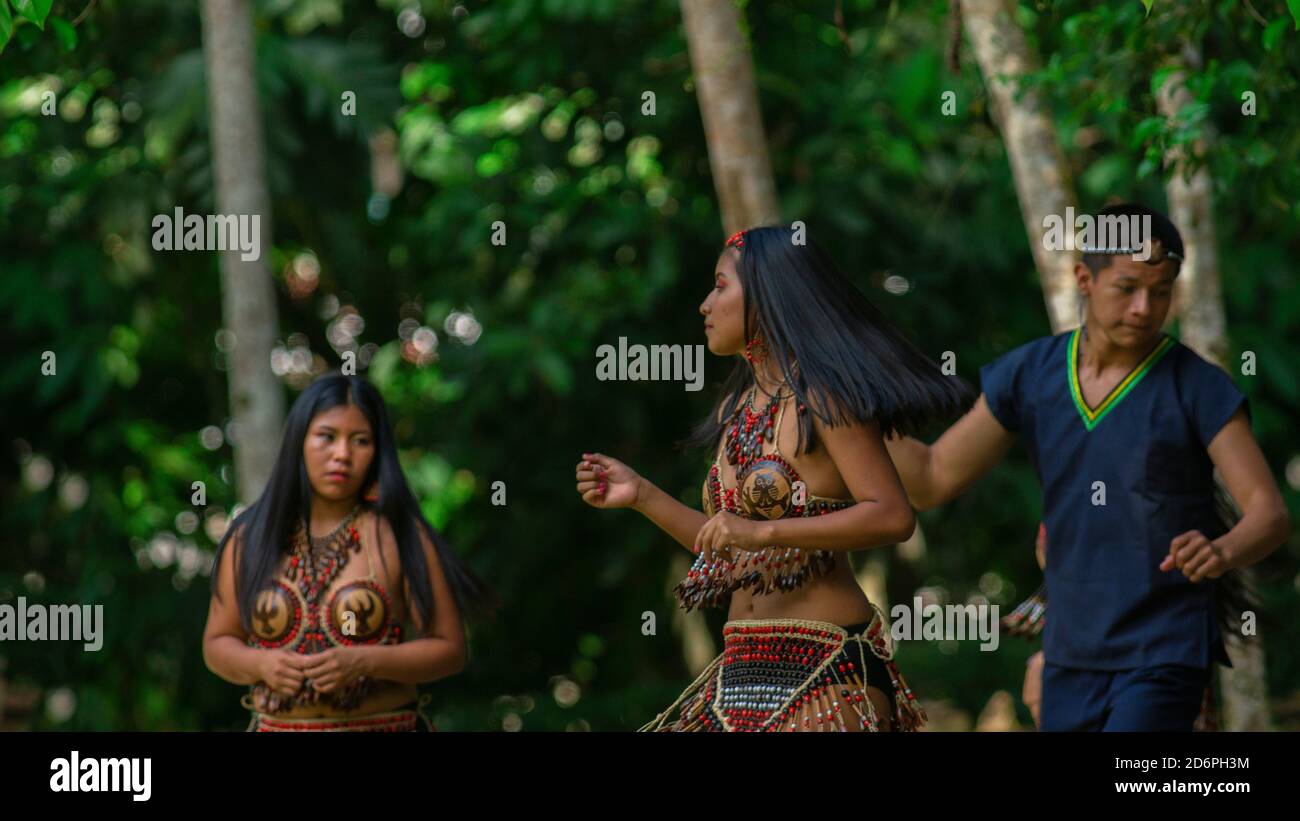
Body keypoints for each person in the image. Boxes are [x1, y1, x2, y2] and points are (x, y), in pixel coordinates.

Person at [885, 203, 1290, 731]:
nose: (1145, 308)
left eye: (1161, 292)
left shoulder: (1197, 386)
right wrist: (848, 409)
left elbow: (1269, 514)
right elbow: (933, 478)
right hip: (1069, 654)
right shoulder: (1029, 374)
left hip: (1163, 649)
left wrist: (1221, 550)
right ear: (1084, 278)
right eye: (1127, 288)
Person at [576, 225, 973, 731]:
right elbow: (728, 550)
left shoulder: (826, 398)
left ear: (765, 297)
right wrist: (642, 495)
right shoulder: (736, 408)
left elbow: (893, 515)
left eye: (720, 286)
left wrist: (764, 530)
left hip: (825, 667)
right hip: (740, 668)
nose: (704, 304)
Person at [203, 373, 491, 731]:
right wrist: (261, 665)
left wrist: (367, 661)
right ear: (299, 442)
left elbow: (450, 650)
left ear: (376, 451)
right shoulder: (251, 535)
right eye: (327, 437)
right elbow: (217, 642)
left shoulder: (400, 535)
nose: (342, 454)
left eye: (360, 441)